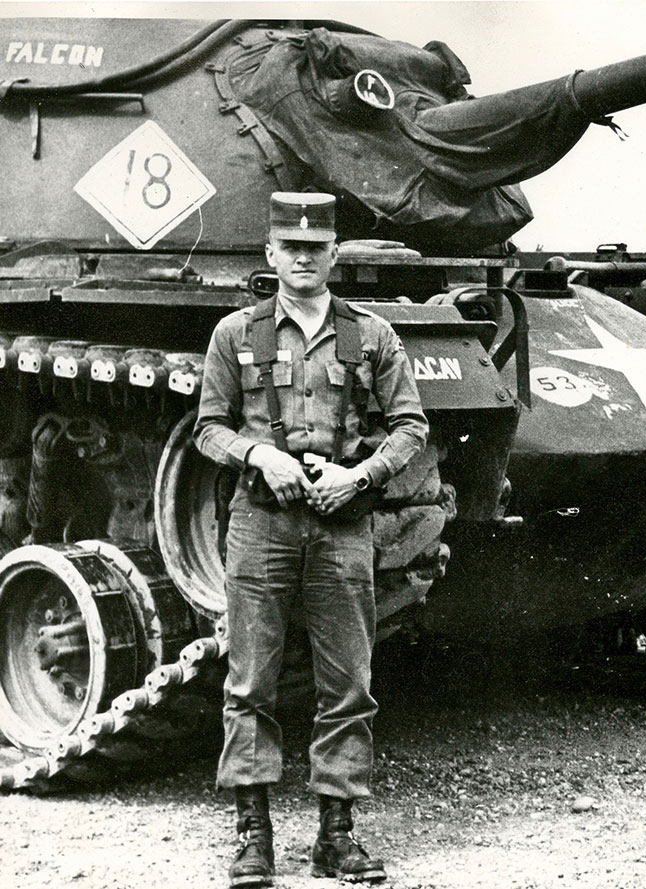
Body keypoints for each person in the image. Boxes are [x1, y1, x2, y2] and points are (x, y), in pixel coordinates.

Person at [194, 192, 429, 888]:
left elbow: (411, 426)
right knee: (251, 680)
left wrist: (359, 474)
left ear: (333, 255)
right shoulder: (236, 333)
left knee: (347, 683)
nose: (302, 258)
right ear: (271, 254)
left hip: (341, 527)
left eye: (315, 248)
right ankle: (253, 836)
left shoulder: (372, 335)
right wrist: (257, 454)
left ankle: (336, 834)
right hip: (261, 523)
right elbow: (208, 425)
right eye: (289, 247)